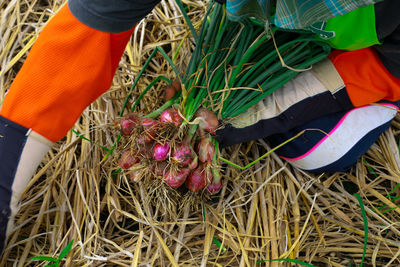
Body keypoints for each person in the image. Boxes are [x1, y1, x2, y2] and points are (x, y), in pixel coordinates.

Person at [0, 0, 398, 254]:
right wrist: (4, 186)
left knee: (315, 148)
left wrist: (262, 107)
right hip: (264, 28)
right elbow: (83, 37)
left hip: (373, 50)